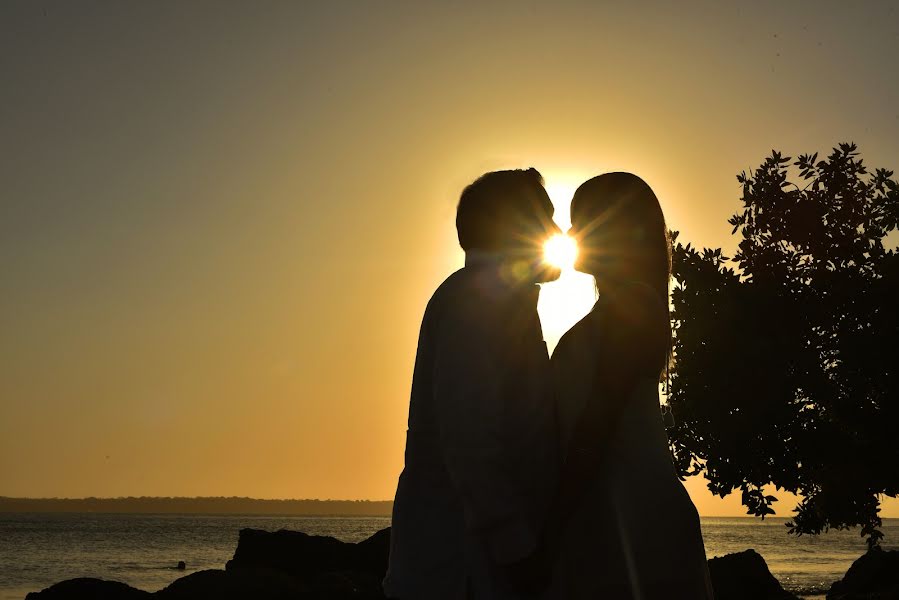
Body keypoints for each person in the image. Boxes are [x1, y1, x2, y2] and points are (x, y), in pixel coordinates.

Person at [384, 168, 561, 600]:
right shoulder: (480, 303)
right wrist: (516, 549)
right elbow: (470, 438)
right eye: (545, 217)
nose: (557, 231)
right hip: (462, 568)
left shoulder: (492, 300)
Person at [546, 172, 714, 599]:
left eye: (581, 220)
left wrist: (553, 521)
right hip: (612, 517)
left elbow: (597, 422)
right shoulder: (621, 306)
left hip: (639, 521)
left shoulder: (634, 304)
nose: (569, 233)